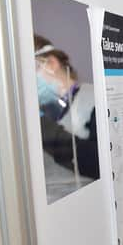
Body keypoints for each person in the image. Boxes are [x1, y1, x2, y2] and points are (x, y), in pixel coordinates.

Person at [35, 35, 100, 198]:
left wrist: (41, 126)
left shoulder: (95, 98)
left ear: (51, 63)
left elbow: (101, 163)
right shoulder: (40, 112)